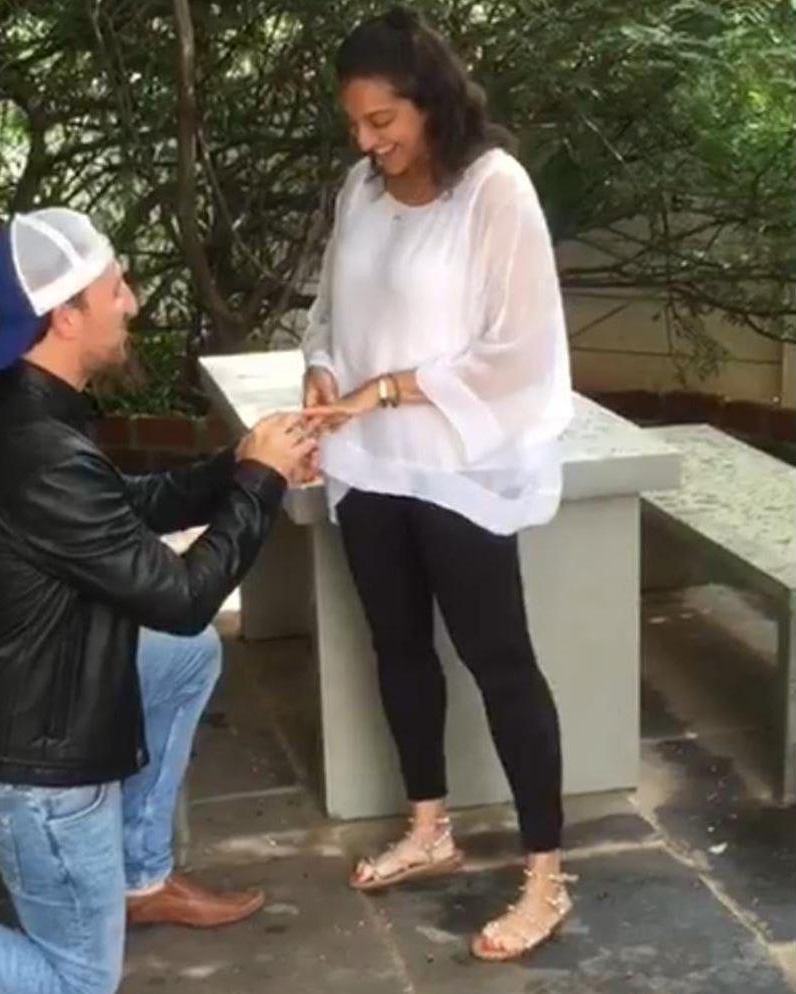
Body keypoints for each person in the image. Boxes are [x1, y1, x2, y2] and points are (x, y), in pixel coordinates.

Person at [0, 207, 319, 994]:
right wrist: (261, 484)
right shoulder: (34, 445)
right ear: (66, 313)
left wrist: (241, 464)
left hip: (6, 688)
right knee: (76, 979)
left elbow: (116, 509)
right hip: (27, 768)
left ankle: (138, 881)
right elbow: (181, 596)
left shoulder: (13, 395)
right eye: (118, 288)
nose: (134, 303)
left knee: (186, 659)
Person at [301, 7, 576, 962]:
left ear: (431, 102)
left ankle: (545, 877)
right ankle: (430, 825)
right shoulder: (358, 191)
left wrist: (386, 387)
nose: (368, 142)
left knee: (501, 664)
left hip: (459, 468)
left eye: (383, 122)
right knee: (399, 649)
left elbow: (521, 353)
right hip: (370, 467)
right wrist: (325, 371)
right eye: (356, 125)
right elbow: (331, 311)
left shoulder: (494, 192)